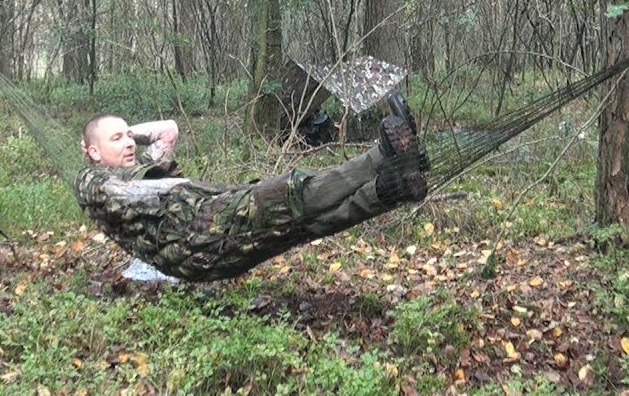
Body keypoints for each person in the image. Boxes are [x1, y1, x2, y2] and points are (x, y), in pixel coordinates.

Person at [74, 94, 429, 282]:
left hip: (206, 242)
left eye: (128, 136)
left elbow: (168, 129)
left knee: (303, 226)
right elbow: (130, 195)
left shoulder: (137, 164)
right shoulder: (92, 181)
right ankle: (383, 154)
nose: (128, 144)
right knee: (292, 194)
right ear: (91, 151)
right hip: (198, 236)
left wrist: (125, 135)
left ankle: (392, 187)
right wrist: (178, 183)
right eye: (115, 139)